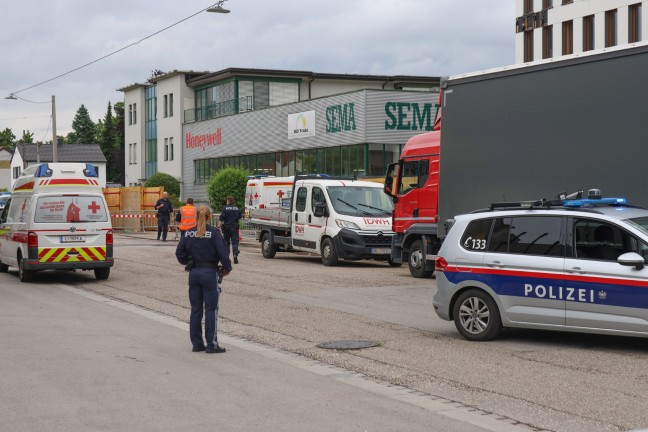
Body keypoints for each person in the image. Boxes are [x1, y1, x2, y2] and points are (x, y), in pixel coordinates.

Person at [175, 206, 232, 354]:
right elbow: (223, 253)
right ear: (209, 216)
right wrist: (227, 268)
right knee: (211, 309)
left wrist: (188, 261)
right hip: (209, 273)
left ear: (195, 217)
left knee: (195, 310)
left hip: (194, 273)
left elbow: (179, 252)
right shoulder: (214, 233)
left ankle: (197, 344)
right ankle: (212, 344)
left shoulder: (188, 233)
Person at [218, 195, 242, 264]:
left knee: (226, 243)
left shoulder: (225, 208)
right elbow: (240, 216)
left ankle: (226, 257)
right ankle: (235, 255)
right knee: (235, 242)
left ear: (228, 201)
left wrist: (218, 227)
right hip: (234, 228)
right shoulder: (237, 208)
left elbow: (221, 219)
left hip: (226, 228)